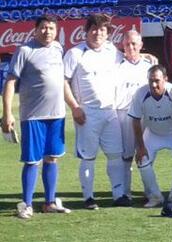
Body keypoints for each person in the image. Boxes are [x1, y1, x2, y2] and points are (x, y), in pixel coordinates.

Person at [1, 15, 73, 218]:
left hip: (57, 115)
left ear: (56, 31)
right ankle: (27, 204)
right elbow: (10, 82)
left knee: (52, 158)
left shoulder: (58, 48)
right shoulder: (25, 50)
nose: (47, 31)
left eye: (51, 28)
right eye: (43, 27)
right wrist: (7, 113)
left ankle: (49, 202)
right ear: (35, 29)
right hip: (33, 116)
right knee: (32, 160)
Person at [63, 13, 129, 210]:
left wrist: (145, 56)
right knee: (88, 157)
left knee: (115, 155)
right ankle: (88, 197)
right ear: (86, 30)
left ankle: (118, 195)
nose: (98, 33)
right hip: (87, 114)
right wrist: (74, 107)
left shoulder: (112, 51)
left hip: (110, 112)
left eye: (102, 30)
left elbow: (130, 59)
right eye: (94, 29)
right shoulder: (75, 53)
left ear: (107, 33)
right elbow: (63, 82)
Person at [128, 65, 172, 209]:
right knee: (142, 159)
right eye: (151, 81)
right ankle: (155, 196)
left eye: (157, 81)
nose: (154, 85)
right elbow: (135, 120)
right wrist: (140, 147)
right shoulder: (140, 93)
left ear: (165, 79)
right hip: (152, 132)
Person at [115, 30, 154, 200]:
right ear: (122, 45)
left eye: (134, 44)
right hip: (124, 115)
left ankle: (149, 190)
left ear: (141, 45)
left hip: (145, 116)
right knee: (126, 155)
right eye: (127, 44)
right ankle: (125, 192)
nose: (131, 47)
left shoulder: (148, 67)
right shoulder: (116, 66)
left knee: (145, 153)